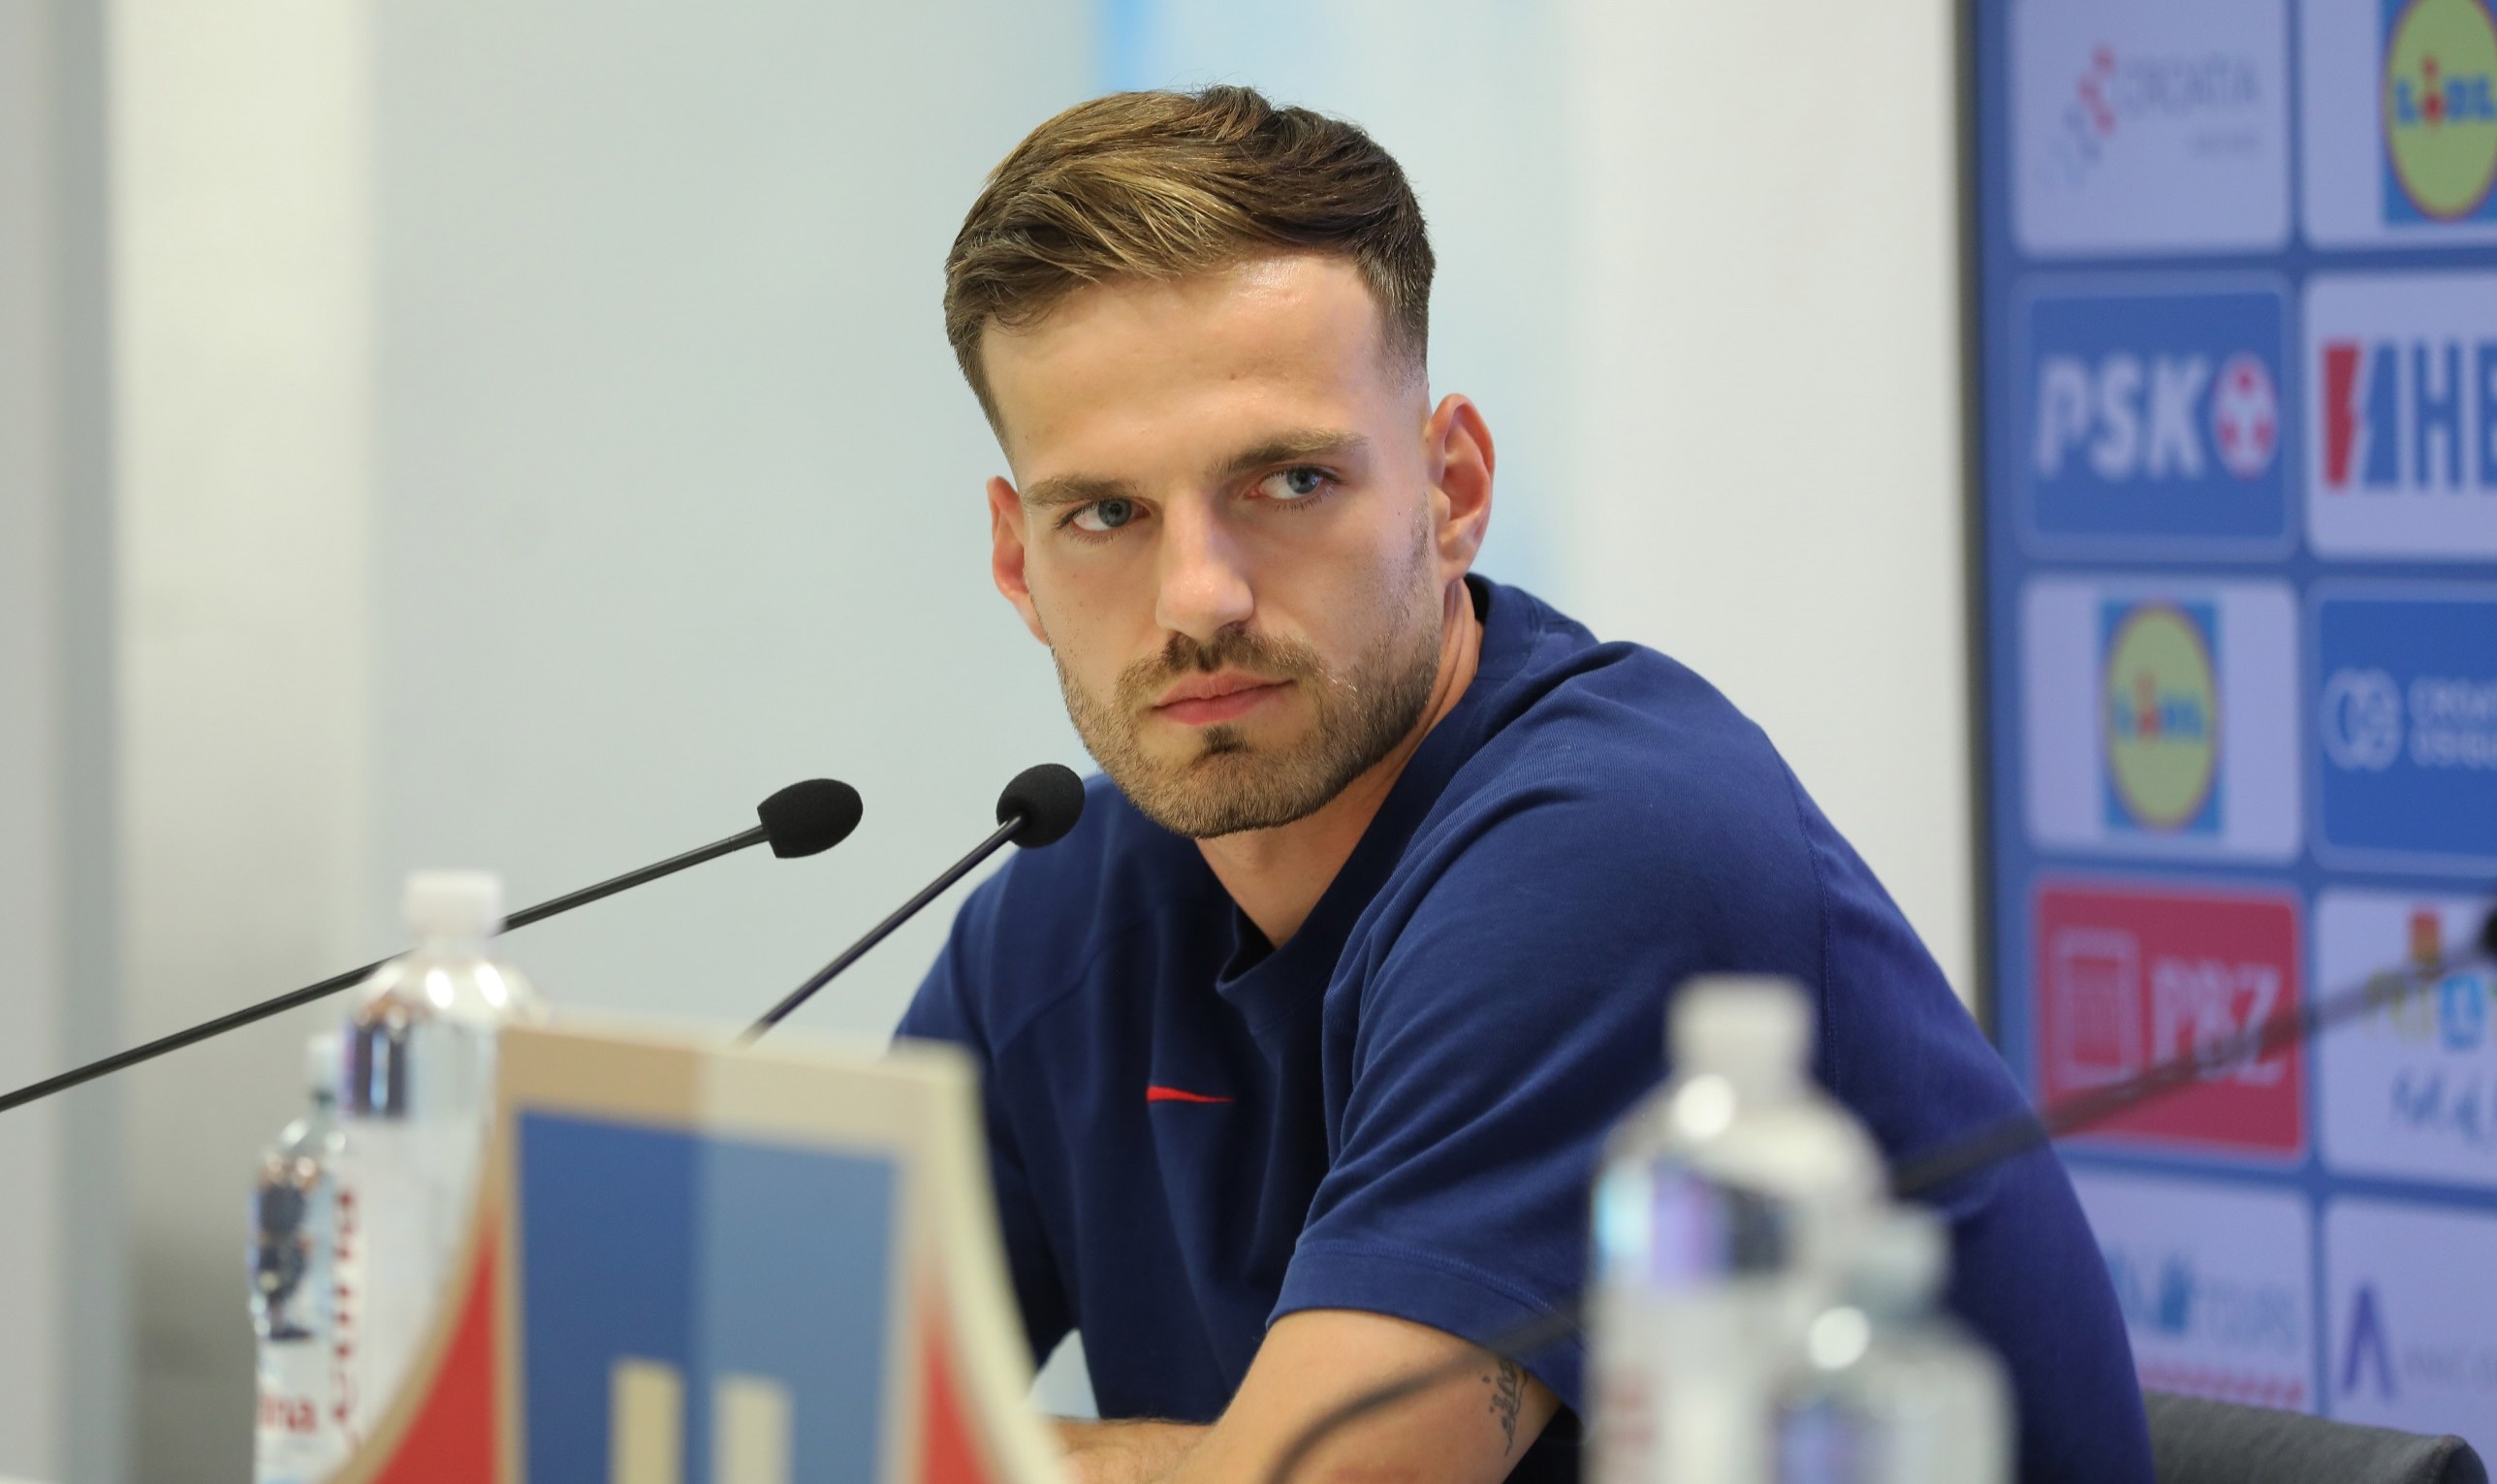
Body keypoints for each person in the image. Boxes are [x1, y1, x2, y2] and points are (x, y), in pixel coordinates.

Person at [899, 85, 2149, 1484]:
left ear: (1452, 489)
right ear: (1017, 562)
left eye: (1290, 483)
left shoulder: (1608, 848)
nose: (1199, 596)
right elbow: (782, 1398)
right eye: (1106, 514)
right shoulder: (1068, 907)